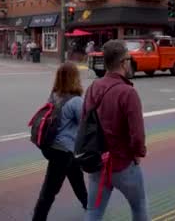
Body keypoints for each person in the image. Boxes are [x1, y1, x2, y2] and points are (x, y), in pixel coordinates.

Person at [84, 40, 148, 221]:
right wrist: (138, 154)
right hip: (122, 163)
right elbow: (137, 133)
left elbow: (84, 122)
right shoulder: (128, 92)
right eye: (129, 58)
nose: (130, 62)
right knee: (139, 206)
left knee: (93, 211)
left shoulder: (93, 88)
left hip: (98, 162)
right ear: (122, 62)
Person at [32, 62, 88, 221]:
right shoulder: (76, 101)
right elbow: (84, 125)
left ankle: (88, 205)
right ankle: (38, 218)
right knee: (49, 191)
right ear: (75, 78)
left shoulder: (54, 94)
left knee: (76, 177)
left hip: (52, 146)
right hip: (62, 150)